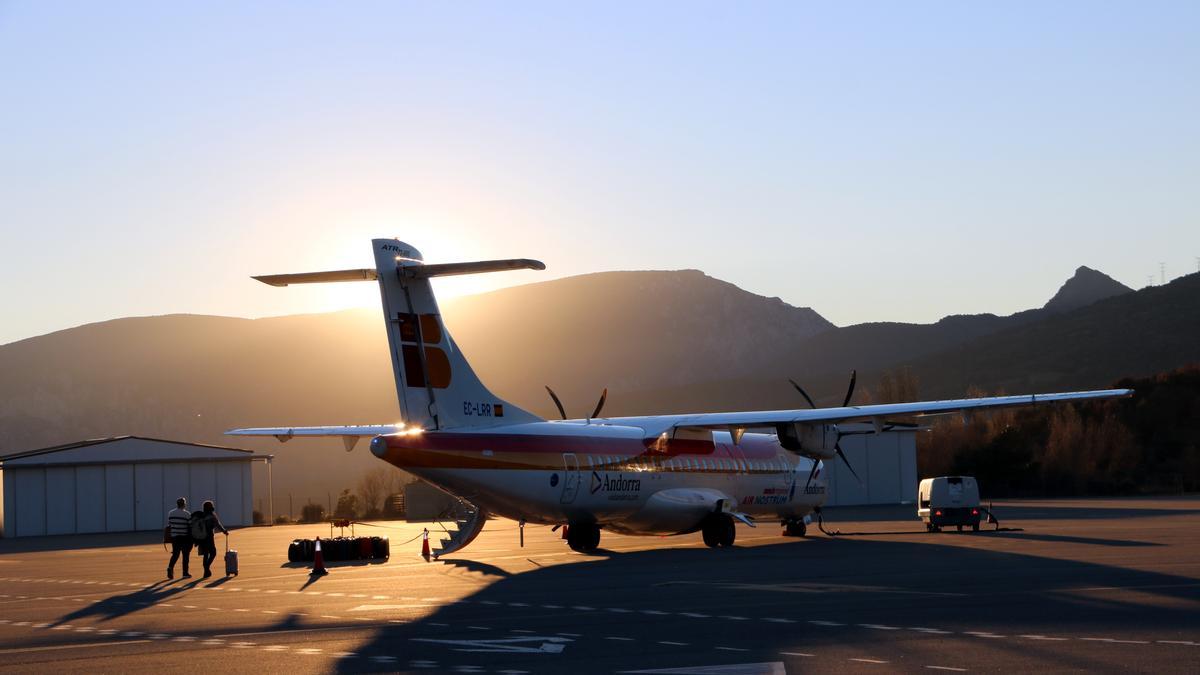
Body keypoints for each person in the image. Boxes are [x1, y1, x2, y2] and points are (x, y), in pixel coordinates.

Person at [194, 500, 229, 578]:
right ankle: (206, 568)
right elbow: (218, 524)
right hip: (209, 537)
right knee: (213, 553)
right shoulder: (212, 515)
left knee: (205, 554)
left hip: (201, 538)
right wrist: (224, 531)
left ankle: (206, 571)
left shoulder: (201, 515)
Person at [166, 497, 193, 579]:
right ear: (184, 504)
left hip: (174, 537)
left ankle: (170, 567)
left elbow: (170, 524)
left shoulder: (171, 513)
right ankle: (185, 572)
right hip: (184, 537)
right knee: (185, 555)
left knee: (175, 554)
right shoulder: (187, 514)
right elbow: (190, 526)